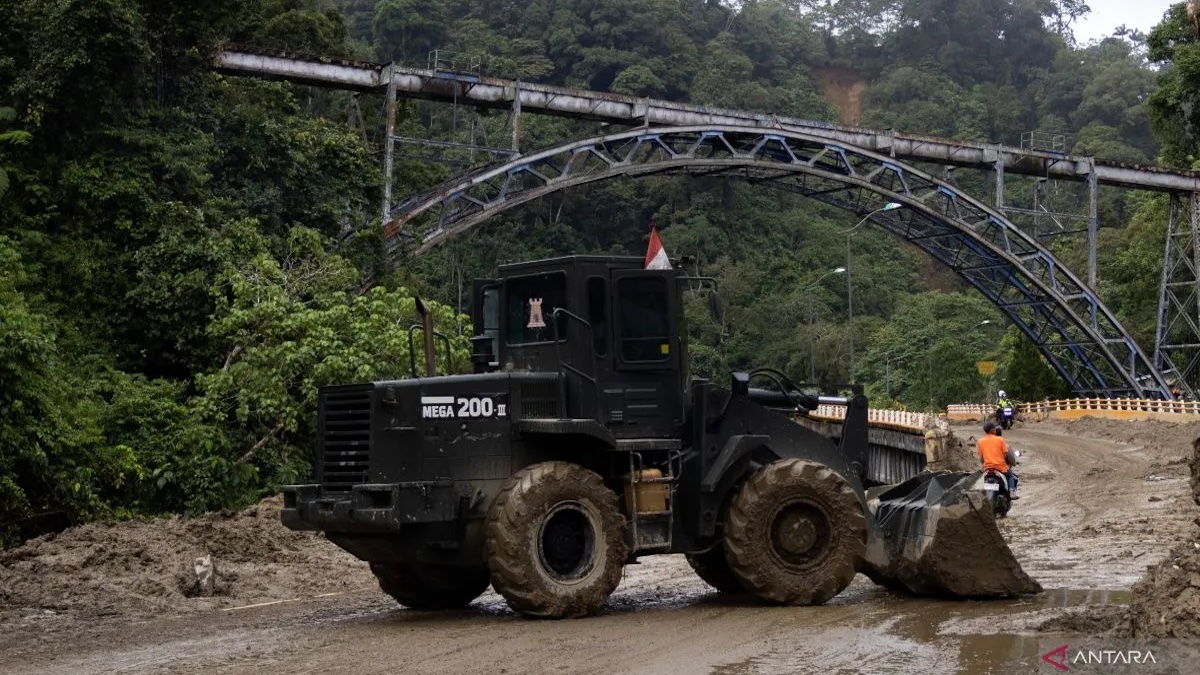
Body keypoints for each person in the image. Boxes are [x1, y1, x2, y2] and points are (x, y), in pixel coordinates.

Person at [977, 421, 1018, 498]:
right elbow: (1005, 454)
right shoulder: (1000, 439)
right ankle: (1012, 493)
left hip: (987, 468)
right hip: (1000, 467)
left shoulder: (980, 441)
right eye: (994, 428)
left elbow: (981, 457)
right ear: (992, 430)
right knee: (1011, 477)